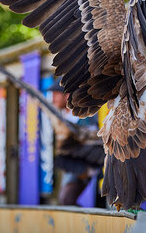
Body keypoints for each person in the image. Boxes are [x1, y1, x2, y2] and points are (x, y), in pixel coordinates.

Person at [46, 77, 103, 206]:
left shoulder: (86, 115)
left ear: (67, 96)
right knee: (64, 200)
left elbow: (96, 140)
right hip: (71, 163)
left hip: (88, 163)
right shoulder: (60, 117)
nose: (53, 98)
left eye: (56, 94)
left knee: (67, 199)